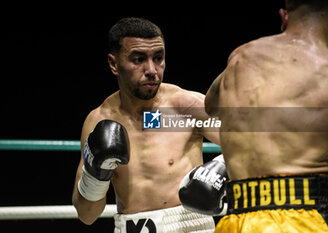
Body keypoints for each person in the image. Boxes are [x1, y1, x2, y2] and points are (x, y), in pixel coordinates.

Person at [203, 1, 328, 232]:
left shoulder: (240, 57)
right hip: (306, 219)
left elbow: (210, 106)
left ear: (284, 17)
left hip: (238, 219)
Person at [72, 17, 222, 233]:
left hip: (190, 226)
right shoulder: (99, 121)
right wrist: (95, 175)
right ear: (114, 64)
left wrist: (219, 170)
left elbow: (252, 147)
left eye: (158, 58)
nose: (152, 69)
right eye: (138, 59)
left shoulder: (186, 107)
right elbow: (87, 215)